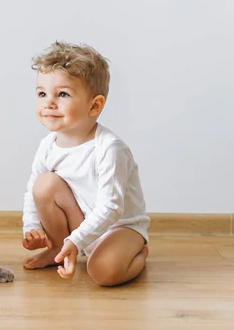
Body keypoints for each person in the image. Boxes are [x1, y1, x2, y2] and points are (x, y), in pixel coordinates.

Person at [22, 41, 150, 286]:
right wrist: (31, 226)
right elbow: (32, 192)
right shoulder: (48, 145)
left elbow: (111, 209)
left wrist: (77, 240)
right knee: (43, 185)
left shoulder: (109, 148)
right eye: (42, 93)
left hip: (119, 227)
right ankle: (58, 249)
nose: (48, 103)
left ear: (94, 105)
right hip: (81, 223)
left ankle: (138, 253)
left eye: (62, 94)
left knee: (104, 273)